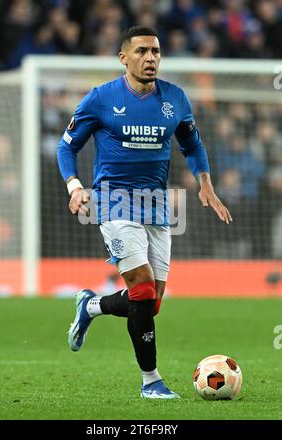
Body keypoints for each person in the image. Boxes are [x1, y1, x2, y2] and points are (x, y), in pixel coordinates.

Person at [57, 26, 232, 399]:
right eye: (141, 51)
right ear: (124, 57)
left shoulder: (175, 99)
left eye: (155, 51)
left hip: (156, 204)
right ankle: (151, 381)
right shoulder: (101, 99)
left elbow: (192, 143)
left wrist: (205, 182)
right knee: (141, 286)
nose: (150, 58)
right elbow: (65, 147)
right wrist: (74, 185)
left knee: (151, 304)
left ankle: (91, 306)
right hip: (113, 201)